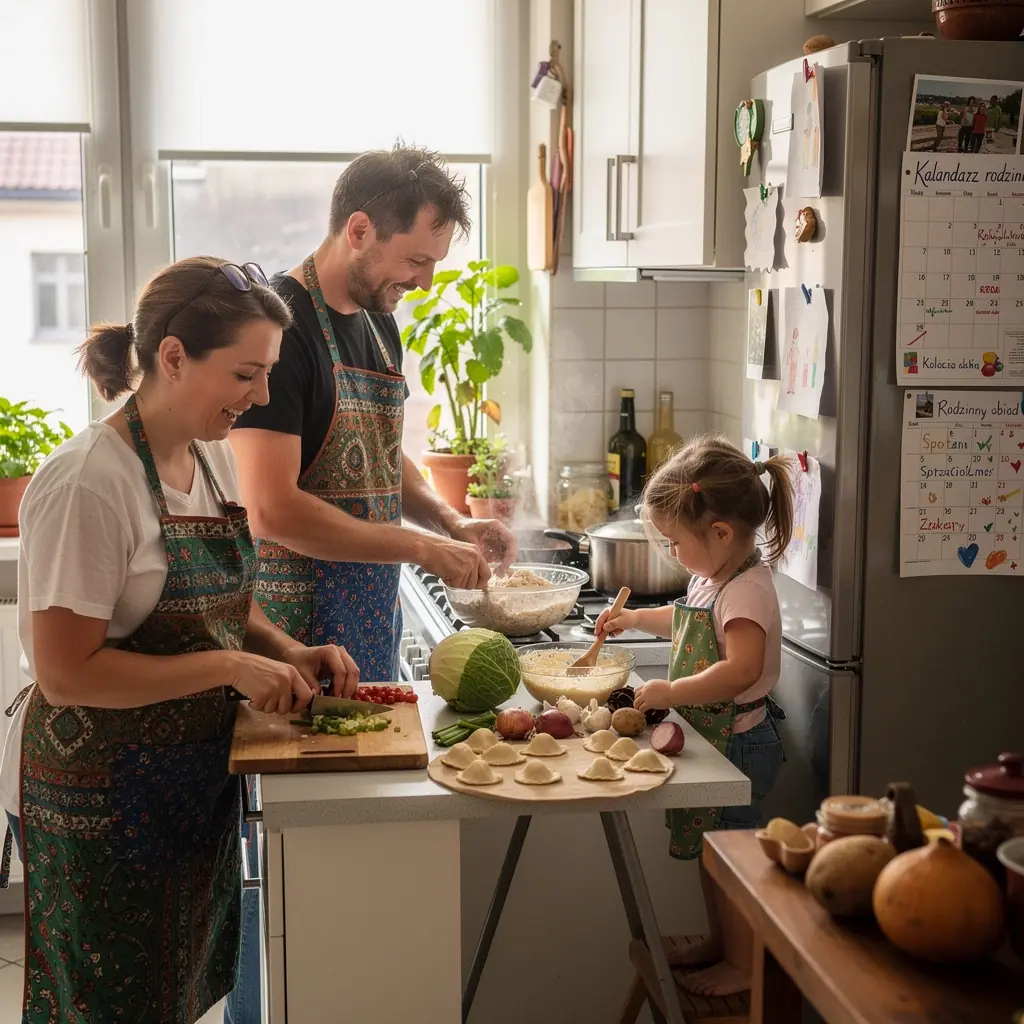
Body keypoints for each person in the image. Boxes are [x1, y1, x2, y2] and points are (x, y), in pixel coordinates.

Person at [0, 256, 359, 1023]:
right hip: (98, 793)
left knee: (176, 992)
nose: (262, 396)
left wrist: (285, 649)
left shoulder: (209, 455)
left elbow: (218, 605)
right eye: (245, 374)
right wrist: (229, 666)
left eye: (268, 374)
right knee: (106, 1004)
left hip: (187, 782)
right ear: (171, 357)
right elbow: (66, 673)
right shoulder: (88, 481)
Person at [226, 144, 517, 1024]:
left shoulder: (378, 321)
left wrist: (451, 523)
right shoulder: (279, 336)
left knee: (349, 877)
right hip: (293, 641)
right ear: (359, 230)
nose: (424, 281)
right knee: (282, 870)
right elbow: (272, 509)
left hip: (365, 630)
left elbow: (384, 451)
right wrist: (420, 550)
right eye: (416, 259)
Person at [596, 436, 793, 999]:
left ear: (721, 534)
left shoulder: (747, 592)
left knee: (736, 862)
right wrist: (636, 619)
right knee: (714, 854)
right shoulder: (713, 577)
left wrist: (673, 690)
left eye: (675, 542)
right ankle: (722, 943)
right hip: (718, 738)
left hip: (741, 743)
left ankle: (745, 966)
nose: (672, 552)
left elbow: (740, 670)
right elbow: (686, 621)